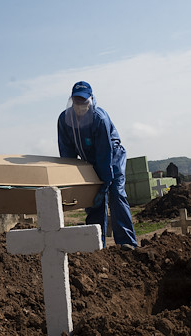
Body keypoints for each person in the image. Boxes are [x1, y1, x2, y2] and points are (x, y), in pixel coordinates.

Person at [57, 81, 138, 250]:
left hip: (112, 157)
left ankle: (126, 242)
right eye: (77, 101)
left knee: (116, 194)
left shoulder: (99, 119)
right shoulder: (64, 120)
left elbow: (104, 153)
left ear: (91, 99)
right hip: (88, 161)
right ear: (72, 101)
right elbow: (67, 153)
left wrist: (105, 184)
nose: (80, 105)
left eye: (84, 101)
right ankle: (94, 245)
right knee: (93, 200)